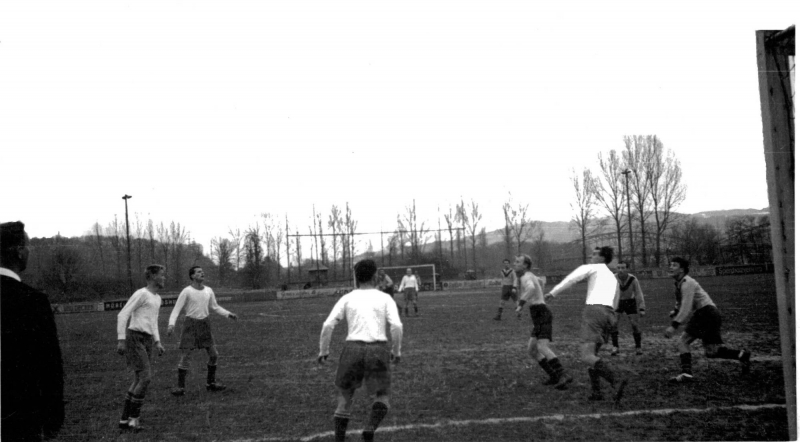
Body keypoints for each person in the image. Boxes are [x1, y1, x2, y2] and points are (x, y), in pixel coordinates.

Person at [318, 259, 403, 442]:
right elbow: (396, 326)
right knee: (382, 396)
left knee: (344, 399)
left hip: (352, 349)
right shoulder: (385, 298)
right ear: (375, 276)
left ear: (356, 277)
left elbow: (327, 325)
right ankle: (369, 429)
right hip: (378, 349)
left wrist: (324, 350)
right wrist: (396, 352)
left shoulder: (347, 298)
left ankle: (339, 440)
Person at [1, 221, 65, 441]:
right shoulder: (33, 301)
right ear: (19, 252)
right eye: (27, 246)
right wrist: (53, 419)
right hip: (20, 419)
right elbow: (49, 366)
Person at [545, 246, 628, 402]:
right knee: (594, 355)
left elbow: (572, 279)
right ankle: (596, 392)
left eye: (595, 254)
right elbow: (616, 298)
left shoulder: (592, 268)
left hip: (593, 312)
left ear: (603, 258)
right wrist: (612, 319)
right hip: (608, 314)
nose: (591, 256)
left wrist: (553, 292)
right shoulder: (612, 276)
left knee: (587, 355)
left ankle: (615, 381)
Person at [664, 257, 751, 383]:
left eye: (674, 265)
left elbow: (686, 306)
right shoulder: (679, 283)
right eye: (670, 265)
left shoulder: (687, 283)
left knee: (683, 341)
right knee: (712, 352)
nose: (670, 267)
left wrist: (674, 325)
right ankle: (741, 355)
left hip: (705, 313)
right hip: (710, 314)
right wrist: (675, 311)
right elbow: (680, 303)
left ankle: (686, 374)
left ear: (682, 269)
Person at [168, 266, 238, 396]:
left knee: (214, 355)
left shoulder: (209, 290)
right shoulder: (186, 291)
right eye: (199, 272)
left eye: (202, 271)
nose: (202, 273)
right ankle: (180, 387)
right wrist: (171, 324)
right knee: (186, 356)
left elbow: (215, 307)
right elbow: (176, 310)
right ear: (192, 276)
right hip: (190, 325)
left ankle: (210, 383)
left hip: (204, 324)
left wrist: (228, 314)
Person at [116, 264, 167, 432]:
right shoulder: (141, 294)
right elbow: (123, 314)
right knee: (145, 377)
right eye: (161, 275)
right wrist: (121, 340)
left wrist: (157, 341)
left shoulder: (157, 298)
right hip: (135, 337)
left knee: (139, 379)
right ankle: (133, 420)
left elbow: (153, 322)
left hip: (147, 339)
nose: (164, 278)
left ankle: (125, 420)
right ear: (152, 276)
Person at [514, 255, 571, 389]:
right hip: (539, 313)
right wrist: (540, 296)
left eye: (518, 262)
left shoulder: (525, 277)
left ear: (525, 265)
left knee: (542, 347)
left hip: (541, 313)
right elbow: (540, 282)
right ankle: (554, 375)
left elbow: (532, 288)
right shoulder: (530, 275)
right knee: (532, 350)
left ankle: (563, 374)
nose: (514, 264)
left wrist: (521, 304)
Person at [611, 261, 646, 356]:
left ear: (627, 269)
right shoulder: (613, 278)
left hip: (630, 302)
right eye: (618, 268)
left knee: (634, 325)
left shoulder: (633, 279)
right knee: (613, 323)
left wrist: (642, 307)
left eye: (623, 268)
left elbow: (638, 293)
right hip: (618, 302)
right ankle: (615, 347)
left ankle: (638, 347)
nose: (620, 270)